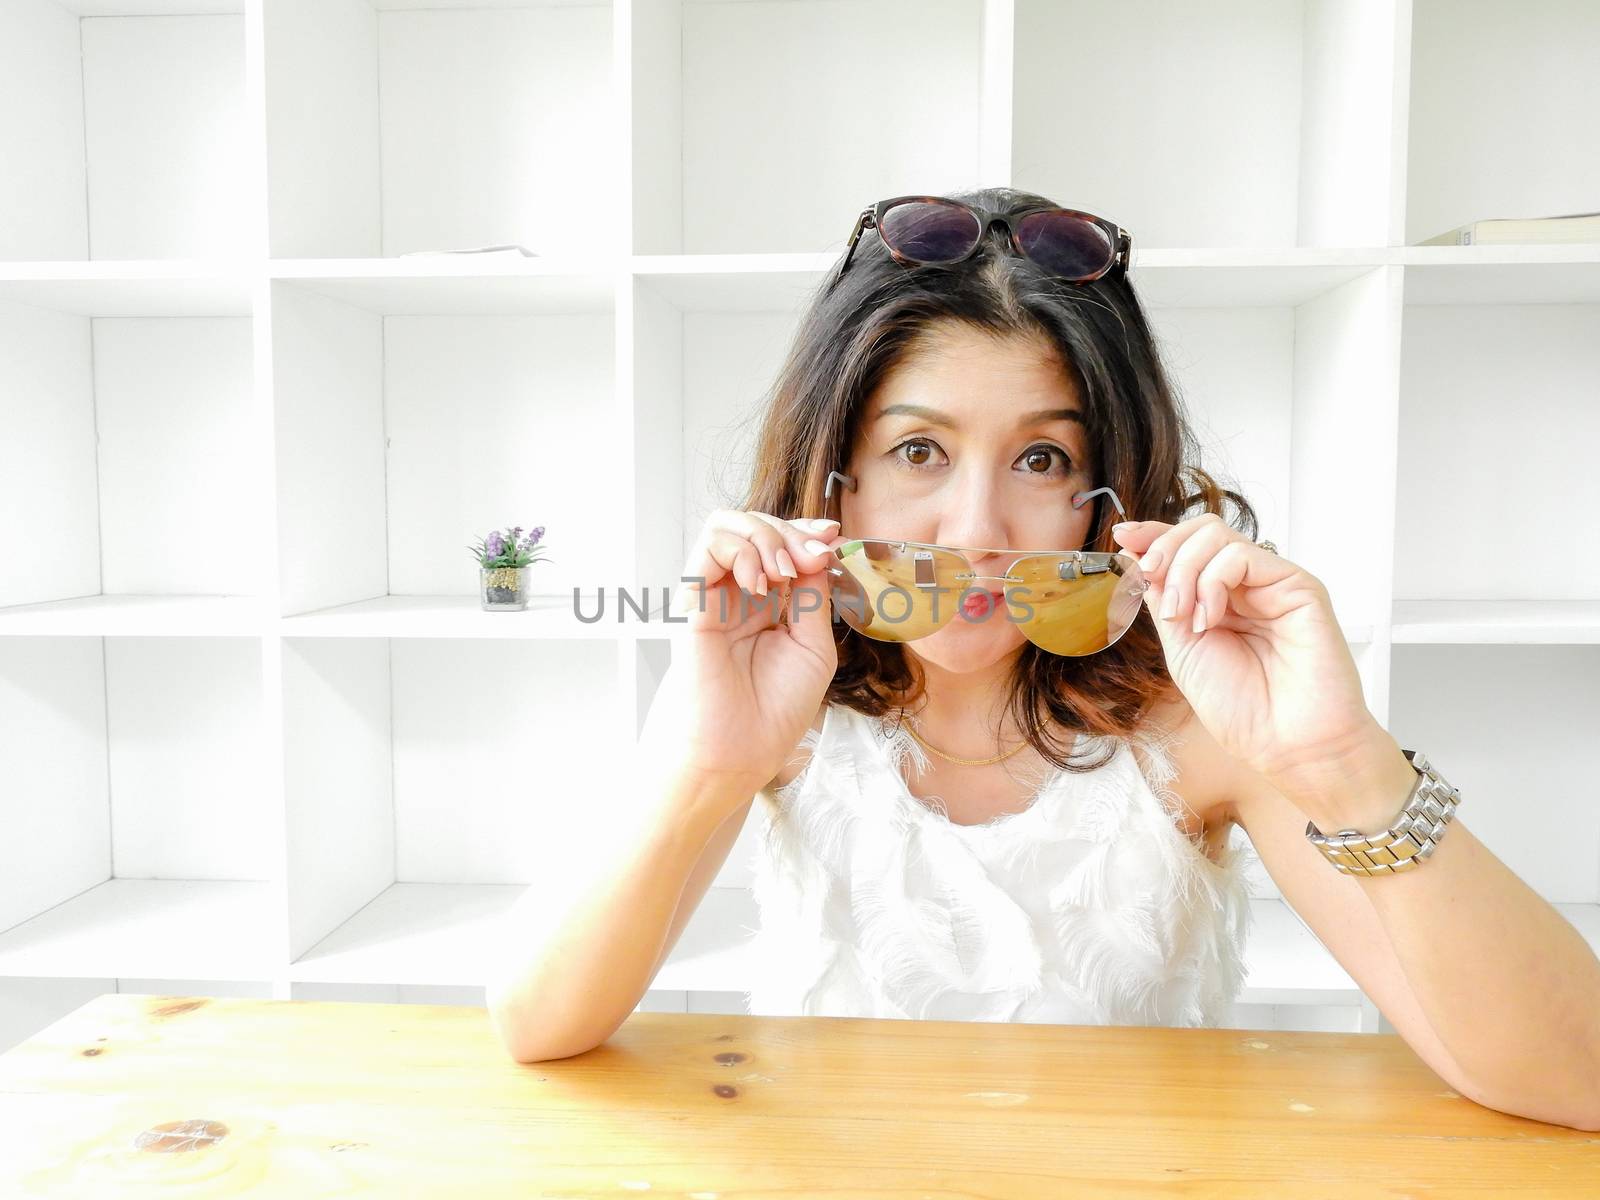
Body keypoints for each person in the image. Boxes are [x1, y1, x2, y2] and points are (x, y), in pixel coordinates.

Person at [487, 184, 1276, 1060]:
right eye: (919, 451)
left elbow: (1469, 1058)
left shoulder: (1204, 721)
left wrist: (1340, 755)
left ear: (1107, 495)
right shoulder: (783, 710)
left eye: (1041, 459)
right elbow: (535, 1025)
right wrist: (707, 762)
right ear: (835, 476)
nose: (976, 533)